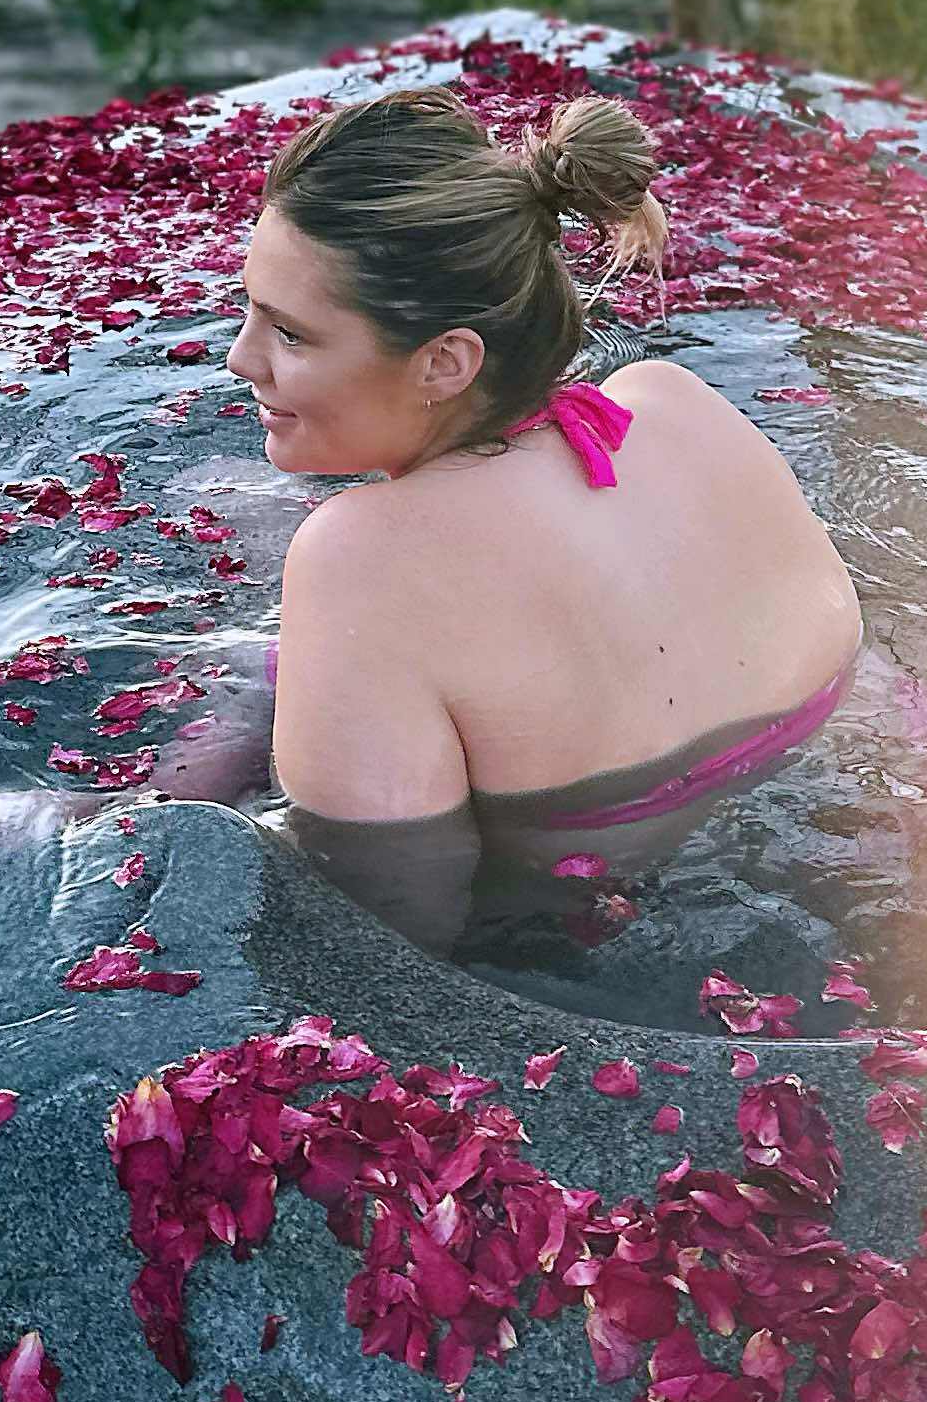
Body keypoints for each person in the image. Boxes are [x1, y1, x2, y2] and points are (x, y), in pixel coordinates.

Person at [237, 86, 862, 954]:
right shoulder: (676, 402)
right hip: (825, 841)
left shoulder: (361, 557)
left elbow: (384, 930)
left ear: (445, 362)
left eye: (290, 335)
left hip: (605, 946)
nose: (240, 359)